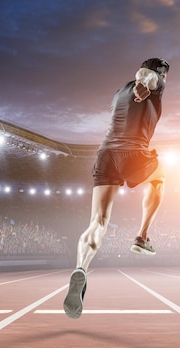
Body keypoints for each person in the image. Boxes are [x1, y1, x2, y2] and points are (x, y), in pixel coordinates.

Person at [63, 57, 170, 319]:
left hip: (106, 155)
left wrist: (137, 87)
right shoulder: (153, 83)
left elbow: (138, 82)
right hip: (134, 155)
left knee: (98, 222)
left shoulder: (118, 92)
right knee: (161, 178)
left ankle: (80, 268)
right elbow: (148, 80)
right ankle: (142, 237)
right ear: (161, 74)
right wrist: (145, 85)